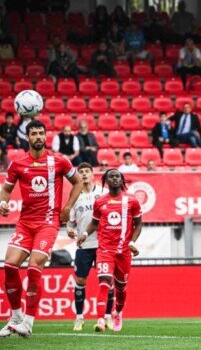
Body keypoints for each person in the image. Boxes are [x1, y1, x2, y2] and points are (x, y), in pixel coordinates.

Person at [0, 121, 82, 337]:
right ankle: (16, 317)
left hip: (47, 222)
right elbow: (6, 190)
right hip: (25, 223)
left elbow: (78, 182)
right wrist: (3, 203)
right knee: (9, 265)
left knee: (35, 265)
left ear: (45, 136)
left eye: (41, 133)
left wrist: (67, 208)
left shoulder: (59, 161)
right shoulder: (17, 164)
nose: (38, 136)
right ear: (27, 137)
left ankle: (28, 322)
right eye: (34, 133)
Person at [77, 169, 142, 332]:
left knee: (121, 288)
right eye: (111, 176)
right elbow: (94, 222)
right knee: (104, 283)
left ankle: (118, 313)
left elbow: (138, 224)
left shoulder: (132, 201)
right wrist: (85, 234)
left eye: (117, 176)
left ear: (122, 180)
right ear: (106, 180)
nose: (114, 179)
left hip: (123, 252)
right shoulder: (100, 202)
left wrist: (133, 242)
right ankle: (100, 320)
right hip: (105, 250)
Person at [66, 163, 110, 331]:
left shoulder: (104, 193)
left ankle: (107, 317)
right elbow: (69, 223)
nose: (84, 174)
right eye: (81, 172)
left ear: (93, 174)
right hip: (84, 245)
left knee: (106, 280)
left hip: (104, 244)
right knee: (80, 280)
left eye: (87, 172)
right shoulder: (75, 196)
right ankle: (79, 318)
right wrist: (69, 230)